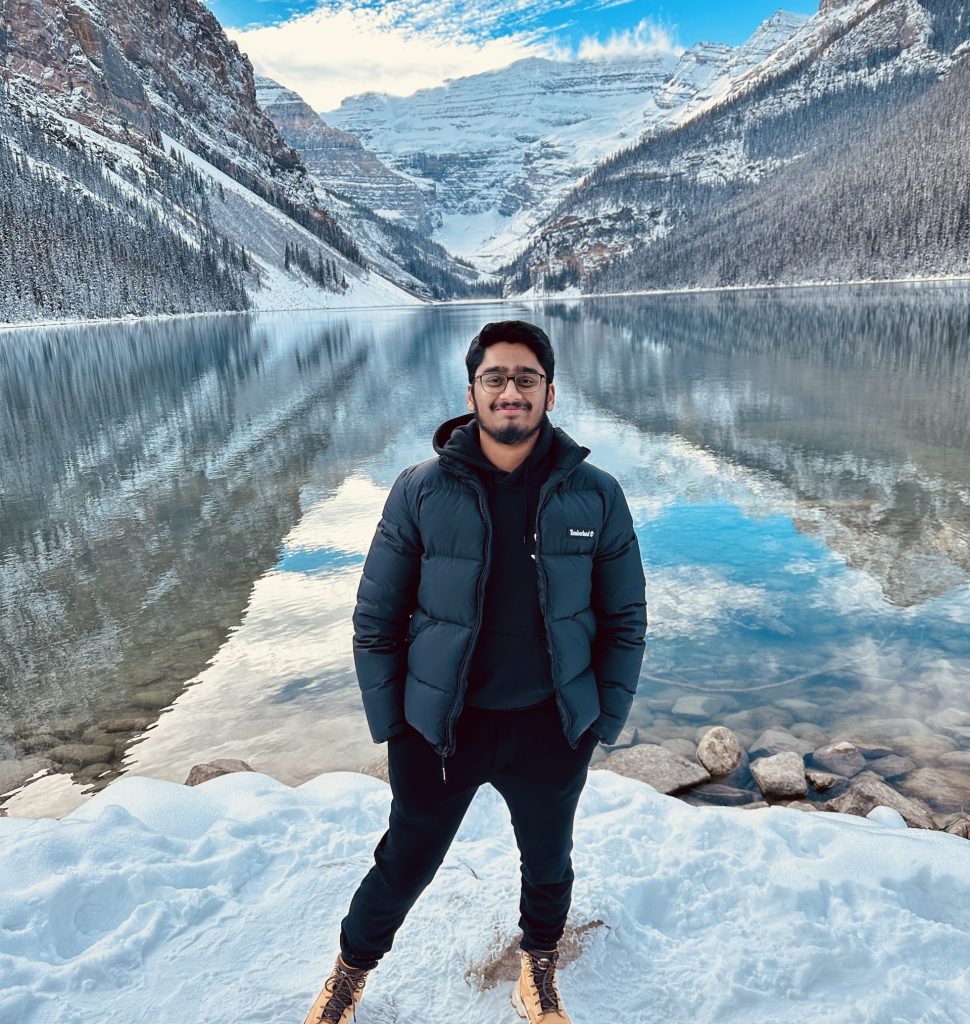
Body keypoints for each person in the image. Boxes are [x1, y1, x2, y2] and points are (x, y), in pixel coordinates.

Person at [303, 320, 647, 1024]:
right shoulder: (421, 490)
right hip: (440, 730)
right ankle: (349, 974)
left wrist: (600, 721)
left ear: (550, 393)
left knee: (549, 863)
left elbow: (625, 621)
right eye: (496, 378)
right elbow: (376, 621)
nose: (510, 392)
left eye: (526, 379)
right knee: (404, 864)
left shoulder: (597, 495)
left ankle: (538, 974)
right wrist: (393, 722)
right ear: (472, 393)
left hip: (550, 726)